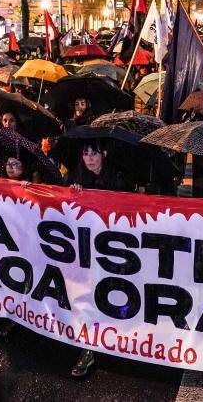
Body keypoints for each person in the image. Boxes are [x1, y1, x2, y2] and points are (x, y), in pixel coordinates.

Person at [66, 140, 132, 377]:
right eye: (85, 153)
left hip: (111, 248)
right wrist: (70, 192)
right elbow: (60, 203)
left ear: (103, 155)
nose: (90, 158)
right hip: (84, 250)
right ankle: (87, 349)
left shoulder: (117, 178)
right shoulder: (74, 177)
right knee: (85, 295)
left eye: (94, 153)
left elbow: (128, 205)